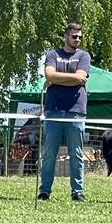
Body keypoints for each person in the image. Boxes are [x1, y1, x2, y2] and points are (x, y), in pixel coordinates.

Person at [37, 23, 91, 202]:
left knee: (76, 154)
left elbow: (81, 77)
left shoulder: (84, 56)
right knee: (49, 154)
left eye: (80, 37)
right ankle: (44, 191)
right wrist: (73, 79)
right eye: (74, 36)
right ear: (66, 36)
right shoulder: (53, 55)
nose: (77, 39)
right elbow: (49, 75)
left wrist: (59, 79)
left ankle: (78, 192)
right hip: (53, 111)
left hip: (76, 112)